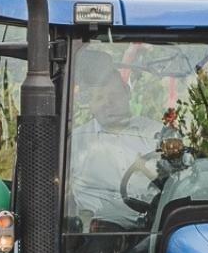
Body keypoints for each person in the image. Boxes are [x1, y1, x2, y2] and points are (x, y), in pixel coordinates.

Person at [66, 48, 161, 227]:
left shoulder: (156, 134)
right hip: (101, 234)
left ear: (127, 93)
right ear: (90, 105)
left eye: (114, 95)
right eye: (100, 98)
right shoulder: (75, 143)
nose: (108, 103)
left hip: (157, 228)